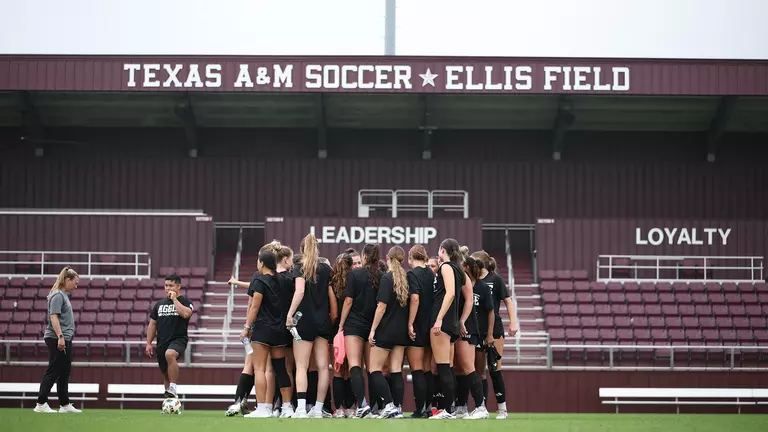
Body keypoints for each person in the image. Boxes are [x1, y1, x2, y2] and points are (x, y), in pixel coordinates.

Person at [240, 249, 294, 418]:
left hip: (262, 331)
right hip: (280, 331)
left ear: (262, 263)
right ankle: (287, 407)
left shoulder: (259, 282)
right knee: (281, 369)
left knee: (260, 369)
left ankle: (263, 408)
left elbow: (254, 307)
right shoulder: (285, 281)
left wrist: (247, 327)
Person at [286, 234, 335, 418]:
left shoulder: (300, 267)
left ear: (302, 249)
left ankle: (300, 408)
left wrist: (290, 314)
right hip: (323, 321)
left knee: (301, 366)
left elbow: (299, 291)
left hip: (304, 321)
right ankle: (318, 408)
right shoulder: (326, 268)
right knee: (323, 367)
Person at [471, 250, 517, 420]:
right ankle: (481, 407)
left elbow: (508, 301)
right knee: (479, 371)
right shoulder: (472, 281)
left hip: (494, 329)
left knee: (495, 368)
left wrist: (513, 322)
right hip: (476, 330)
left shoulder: (495, 279)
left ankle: (502, 409)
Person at [338, 243, 382, 418]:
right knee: (372, 368)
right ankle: (376, 406)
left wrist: (341, 324)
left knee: (355, 365)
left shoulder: (355, 274)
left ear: (364, 256)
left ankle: (362, 405)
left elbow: (348, 301)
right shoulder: (382, 275)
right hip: (373, 327)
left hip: (354, 326)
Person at [367, 246, 410, 419]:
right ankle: (397, 408)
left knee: (374, 369)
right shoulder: (407, 279)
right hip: (401, 331)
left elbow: (381, 306)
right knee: (396, 369)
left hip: (386, 331)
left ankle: (389, 404)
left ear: (388, 258)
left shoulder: (387, 278)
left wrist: (373, 329)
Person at [35, 266, 82, 414]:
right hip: (57, 338)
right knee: (54, 370)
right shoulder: (57, 295)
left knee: (65, 371)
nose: (76, 285)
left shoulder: (64, 295)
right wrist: (60, 337)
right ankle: (41, 403)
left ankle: (64, 404)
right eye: (75, 282)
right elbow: (53, 317)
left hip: (64, 338)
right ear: (67, 280)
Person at [453, 250, 492, 419]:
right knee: (461, 369)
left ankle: (480, 406)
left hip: (468, 328)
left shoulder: (465, 280)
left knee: (469, 367)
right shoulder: (464, 279)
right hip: (467, 327)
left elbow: (469, 303)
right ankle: (462, 407)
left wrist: (461, 322)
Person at [429, 238, 463, 419]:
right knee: (448, 367)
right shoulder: (458, 269)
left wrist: (439, 318)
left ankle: (448, 410)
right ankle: (451, 408)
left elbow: (449, 293)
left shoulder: (446, 267)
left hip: (443, 321)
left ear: (442, 250)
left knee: (442, 367)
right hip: (452, 322)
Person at [145, 274, 194, 398]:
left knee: (170, 354)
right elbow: (152, 324)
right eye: (166, 285)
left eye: (171, 285)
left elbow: (186, 314)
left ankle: (173, 386)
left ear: (178, 287)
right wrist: (149, 343)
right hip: (162, 341)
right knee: (166, 374)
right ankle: (170, 402)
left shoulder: (185, 301)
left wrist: (174, 300)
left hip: (178, 339)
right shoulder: (159, 304)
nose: (168, 288)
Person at [405, 245, 434, 418]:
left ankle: (420, 409)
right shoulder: (431, 273)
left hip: (417, 324)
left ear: (410, 256)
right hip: (429, 325)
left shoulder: (412, 274)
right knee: (427, 369)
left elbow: (415, 298)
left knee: (416, 369)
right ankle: (429, 407)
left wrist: (410, 323)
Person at [330, 252, 355, 418]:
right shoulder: (355, 281)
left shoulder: (331, 284)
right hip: (352, 327)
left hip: (336, 330)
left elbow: (332, 312)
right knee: (351, 370)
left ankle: (339, 409)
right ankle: (352, 407)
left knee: (338, 370)